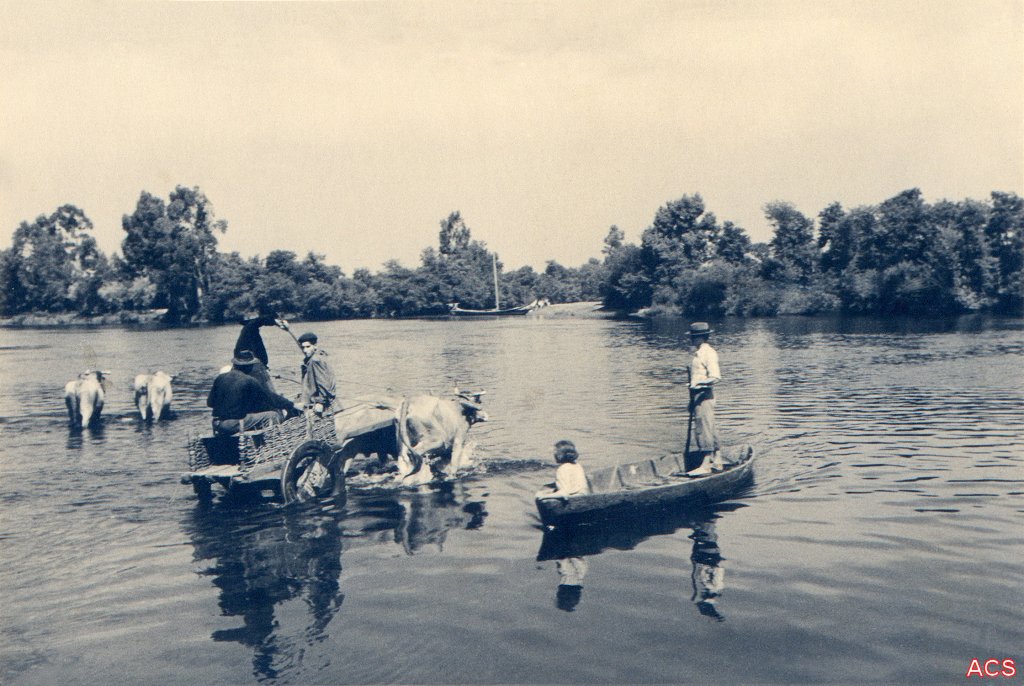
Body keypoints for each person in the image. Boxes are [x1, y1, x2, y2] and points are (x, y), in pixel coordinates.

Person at [207, 350, 303, 435]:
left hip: (217, 423)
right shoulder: (249, 380)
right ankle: (266, 442)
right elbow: (272, 399)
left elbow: (210, 403)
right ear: (249, 366)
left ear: (235, 364)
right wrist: (292, 405)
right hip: (234, 424)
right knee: (273, 416)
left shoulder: (220, 378)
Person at [685, 322, 722, 476]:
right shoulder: (698, 353)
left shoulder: (708, 353)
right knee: (710, 426)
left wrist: (698, 384)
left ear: (701, 337)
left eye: (693, 337)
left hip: (704, 396)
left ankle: (706, 464)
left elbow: (715, 377)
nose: (691, 339)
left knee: (703, 428)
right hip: (697, 396)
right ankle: (717, 460)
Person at [234, 311, 289, 392]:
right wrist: (275, 322)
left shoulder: (249, 331)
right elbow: (258, 321)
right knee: (267, 393)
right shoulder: (250, 328)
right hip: (252, 367)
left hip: (251, 367)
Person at [296, 332, 337, 415]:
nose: (305, 350)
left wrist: (321, 402)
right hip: (312, 399)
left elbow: (323, 382)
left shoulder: (316, 360)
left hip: (317, 403)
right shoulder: (316, 357)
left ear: (315, 346)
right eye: (302, 347)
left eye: (308, 347)